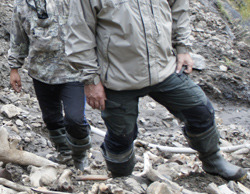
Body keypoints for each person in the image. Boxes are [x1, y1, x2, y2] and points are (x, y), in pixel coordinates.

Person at [65, 0, 246, 180]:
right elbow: (80, 33)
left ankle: (213, 161)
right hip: (118, 78)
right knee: (121, 137)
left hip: (164, 69)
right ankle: (124, 180)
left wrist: (182, 47)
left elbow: (179, 7)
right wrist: (91, 80)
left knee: (200, 110)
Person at [8, 0, 92, 170]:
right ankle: (64, 152)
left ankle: (80, 154)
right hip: (41, 73)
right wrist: (14, 68)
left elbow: (89, 28)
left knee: (75, 119)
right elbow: (18, 37)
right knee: (51, 119)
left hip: (72, 71)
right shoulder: (22, 5)